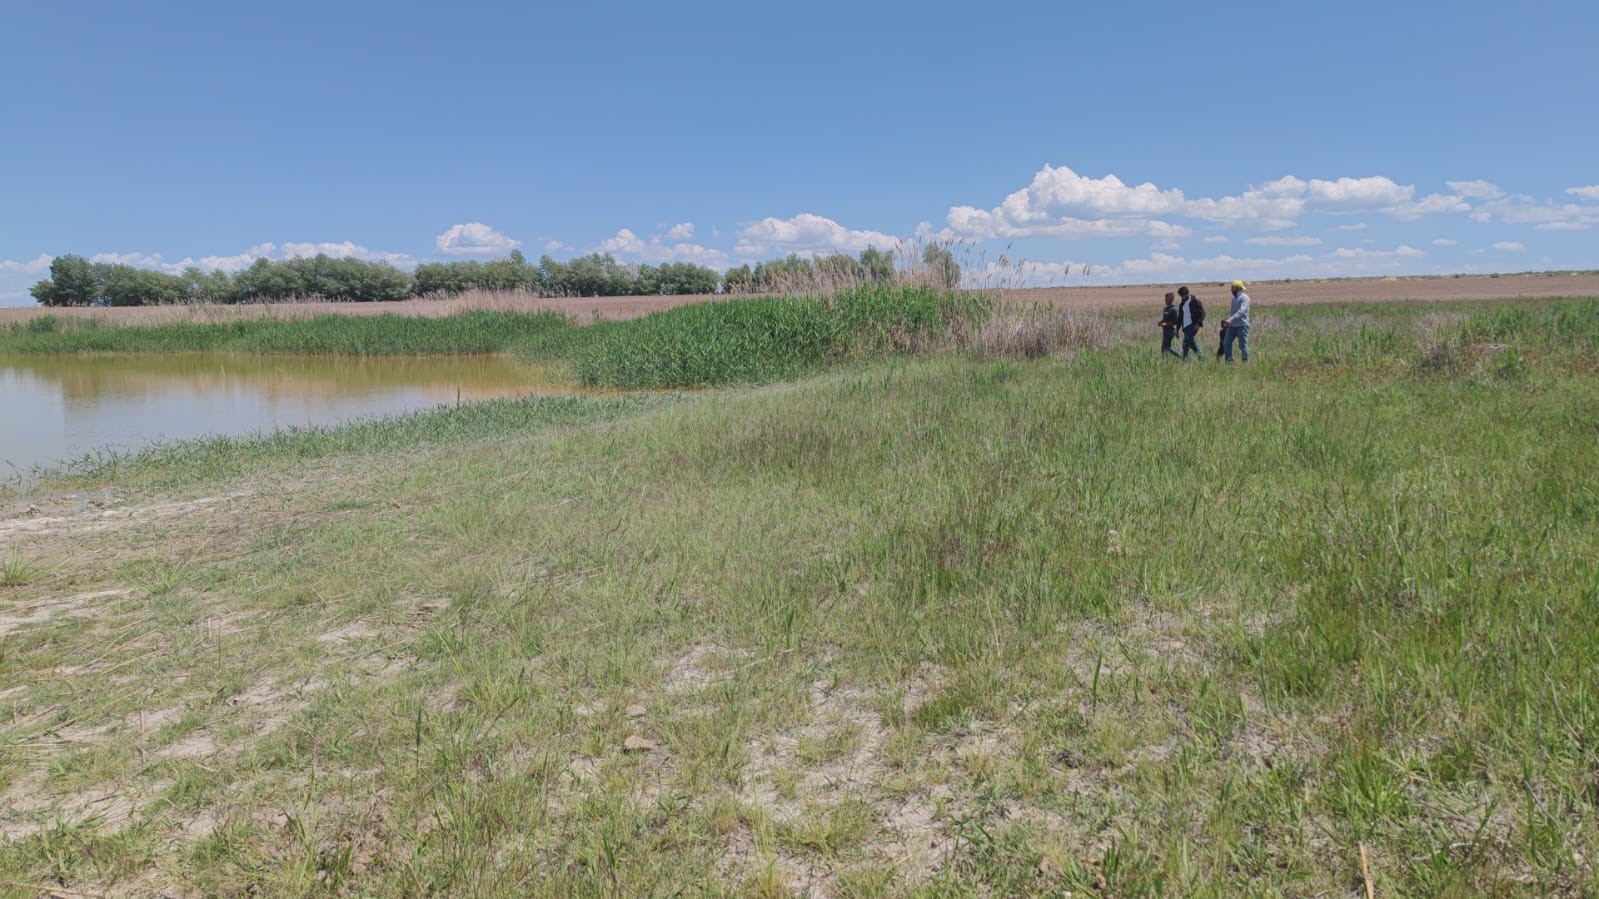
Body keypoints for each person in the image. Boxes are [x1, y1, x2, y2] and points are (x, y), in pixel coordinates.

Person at [1221, 280, 1251, 362]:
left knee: (1242, 345)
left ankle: (1245, 362)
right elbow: (1234, 312)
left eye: (1232, 288)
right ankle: (1229, 361)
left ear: (1238, 288)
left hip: (1242, 326)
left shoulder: (1245, 298)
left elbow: (1241, 311)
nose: (1231, 289)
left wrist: (1230, 319)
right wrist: (1228, 320)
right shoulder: (1234, 298)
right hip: (1232, 326)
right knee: (1226, 342)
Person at [1176, 286, 1205, 359]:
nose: (1181, 297)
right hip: (1185, 327)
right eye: (1180, 296)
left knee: (1185, 344)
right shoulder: (1182, 304)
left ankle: (1185, 360)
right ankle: (1201, 358)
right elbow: (1180, 318)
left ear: (1187, 293)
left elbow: (1202, 313)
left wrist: (1198, 323)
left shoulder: (1195, 302)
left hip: (1192, 326)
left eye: (1182, 295)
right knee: (1191, 343)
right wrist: (1177, 329)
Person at [1157, 292, 1181, 357]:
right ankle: (1164, 360)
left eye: (1167, 299)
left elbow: (1175, 322)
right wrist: (1160, 322)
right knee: (1163, 348)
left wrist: (1166, 324)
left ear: (1172, 299)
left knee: (1167, 347)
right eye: (1165, 299)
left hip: (1171, 331)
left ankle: (1182, 358)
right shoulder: (1165, 309)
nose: (1165, 300)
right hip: (1165, 331)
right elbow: (1164, 319)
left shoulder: (1174, 309)